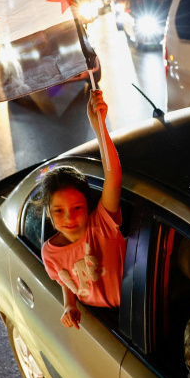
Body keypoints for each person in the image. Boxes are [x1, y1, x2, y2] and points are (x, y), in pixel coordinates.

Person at [41, 89, 125, 329]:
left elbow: (113, 178)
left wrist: (99, 127)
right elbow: (65, 279)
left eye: (77, 207)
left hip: (132, 310)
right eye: (59, 211)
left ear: (88, 206)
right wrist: (69, 304)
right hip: (100, 322)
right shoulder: (49, 254)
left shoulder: (101, 226)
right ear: (48, 212)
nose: (69, 217)